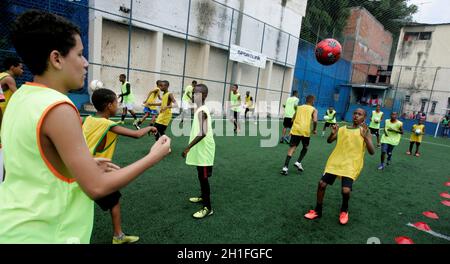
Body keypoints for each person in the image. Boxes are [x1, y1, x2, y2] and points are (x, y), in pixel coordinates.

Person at [0, 10, 171, 243]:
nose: (86, 63)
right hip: (46, 233)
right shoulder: (59, 107)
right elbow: (97, 187)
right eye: (80, 54)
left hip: (12, 224)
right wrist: (154, 156)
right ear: (56, 58)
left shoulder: (21, 97)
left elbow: (31, 161)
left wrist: (87, 162)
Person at [83, 88, 158, 244]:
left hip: (82, 168)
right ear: (109, 105)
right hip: (97, 172)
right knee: (114, 201)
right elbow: (136, 135)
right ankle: (118, 236)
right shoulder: (108, 124)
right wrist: (150, 127)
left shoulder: (89, 119)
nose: (118, 105)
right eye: (117, 103)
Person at [304, 108, 375, 224]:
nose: (356, 116)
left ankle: (344, 210)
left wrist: (366, 138)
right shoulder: (342, 129)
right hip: (335, 162)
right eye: (355, 113)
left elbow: (372, 152)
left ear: (364, 118)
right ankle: (317, 210)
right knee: (321, 184)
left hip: (351, 164)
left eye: (360, 114)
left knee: (346, 190)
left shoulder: (365, 131)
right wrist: (333, 133)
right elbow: (329, 141)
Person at [182, 84, 215, 219]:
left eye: (197, 93)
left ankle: (208, 208)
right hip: (200, 148)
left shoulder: (202, 111)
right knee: (200, 174)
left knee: (204, 177)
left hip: (205, 150)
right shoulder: (199, 109)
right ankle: (202, 197)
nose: (194, 95)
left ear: (204, 96)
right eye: (193, 93)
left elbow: (203, 133)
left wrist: (188, 147)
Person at [280, 95, 317, 175]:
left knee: (292, 148)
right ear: (313, 101)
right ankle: (298, 162)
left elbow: (293, 119)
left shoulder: (299, 107)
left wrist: (295, 126)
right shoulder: (314, 109)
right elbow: (315, 120)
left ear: (306, 100)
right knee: (305, 147)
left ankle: (285, 167)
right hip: (305, 131)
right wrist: (314, 129)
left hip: (296, 130)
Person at [0, 56, 24, 126]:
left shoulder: (1, 75)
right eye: (20, 68)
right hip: (2, 112)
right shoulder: (9, 79)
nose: (22, 71)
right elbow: (18, 95)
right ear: (12, 67)